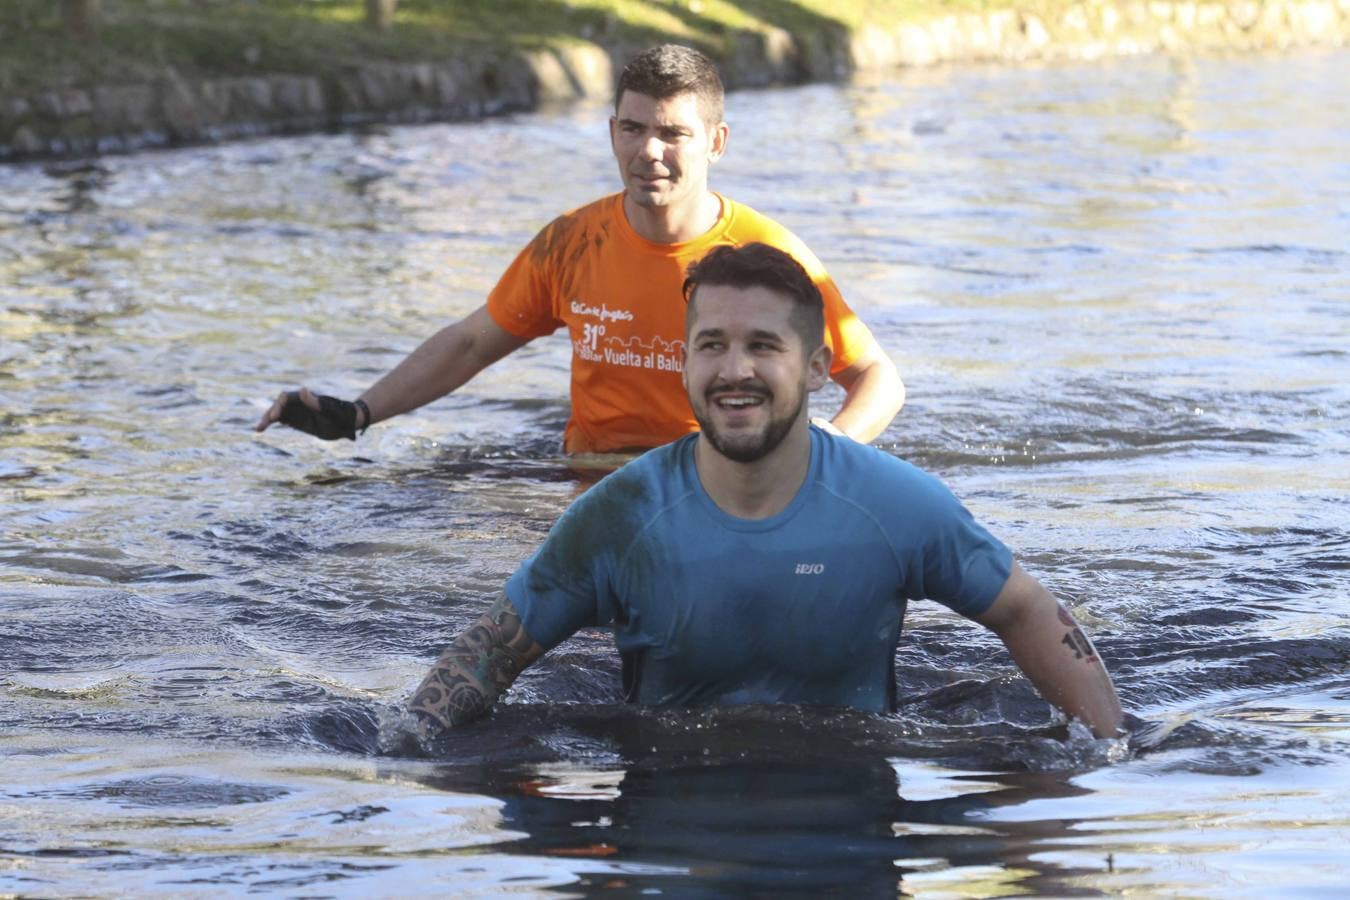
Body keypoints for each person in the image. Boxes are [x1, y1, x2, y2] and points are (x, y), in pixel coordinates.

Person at [408, 242, 1124, 738]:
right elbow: (485, 655)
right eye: (711, 344)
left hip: (850, 815)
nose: (734, 369)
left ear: (816, 368)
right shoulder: (620, 518)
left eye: (763, 346)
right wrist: (406, 749)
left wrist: (1107, 754)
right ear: (684, 361)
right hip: (670, 815)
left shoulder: (895, 507)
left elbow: (1027, 609)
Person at [254, 44, 903, 454]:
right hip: (588, 481)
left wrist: (837, 446)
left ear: (717, 142)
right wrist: (359, 413)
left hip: (723, 489)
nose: (649, 151)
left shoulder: (770, 257)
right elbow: (473, 343)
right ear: (612, 131)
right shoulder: (571, 242)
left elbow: (878, 378)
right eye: (632, 128)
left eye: (674, 133)